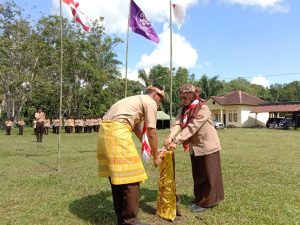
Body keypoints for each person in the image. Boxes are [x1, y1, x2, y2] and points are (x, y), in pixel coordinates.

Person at [97, 85, 165, 225]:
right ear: (155, 95)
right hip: (117, 132)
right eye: (161, 99)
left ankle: (122, 218)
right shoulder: (150, 102)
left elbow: (136, 129)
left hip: (105, 132)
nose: (159, 103)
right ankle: (130, 221)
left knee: (117, 177)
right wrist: (155, 157)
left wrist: (152, 150)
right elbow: (152, 132)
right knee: (131, 179)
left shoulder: (135, 100)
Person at [164, 84, 224, 213]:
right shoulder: (184, 109)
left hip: (208, 145)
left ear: (192, 95)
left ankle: (207, 202)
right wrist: (170, 136)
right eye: (181, 98)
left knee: (209, 175)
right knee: (198, 174)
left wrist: (176, 140)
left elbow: (192, 127)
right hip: (195, 147)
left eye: (185, 97)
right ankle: (199, 199)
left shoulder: (203, 108)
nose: (183, 100)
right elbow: (178, 123)